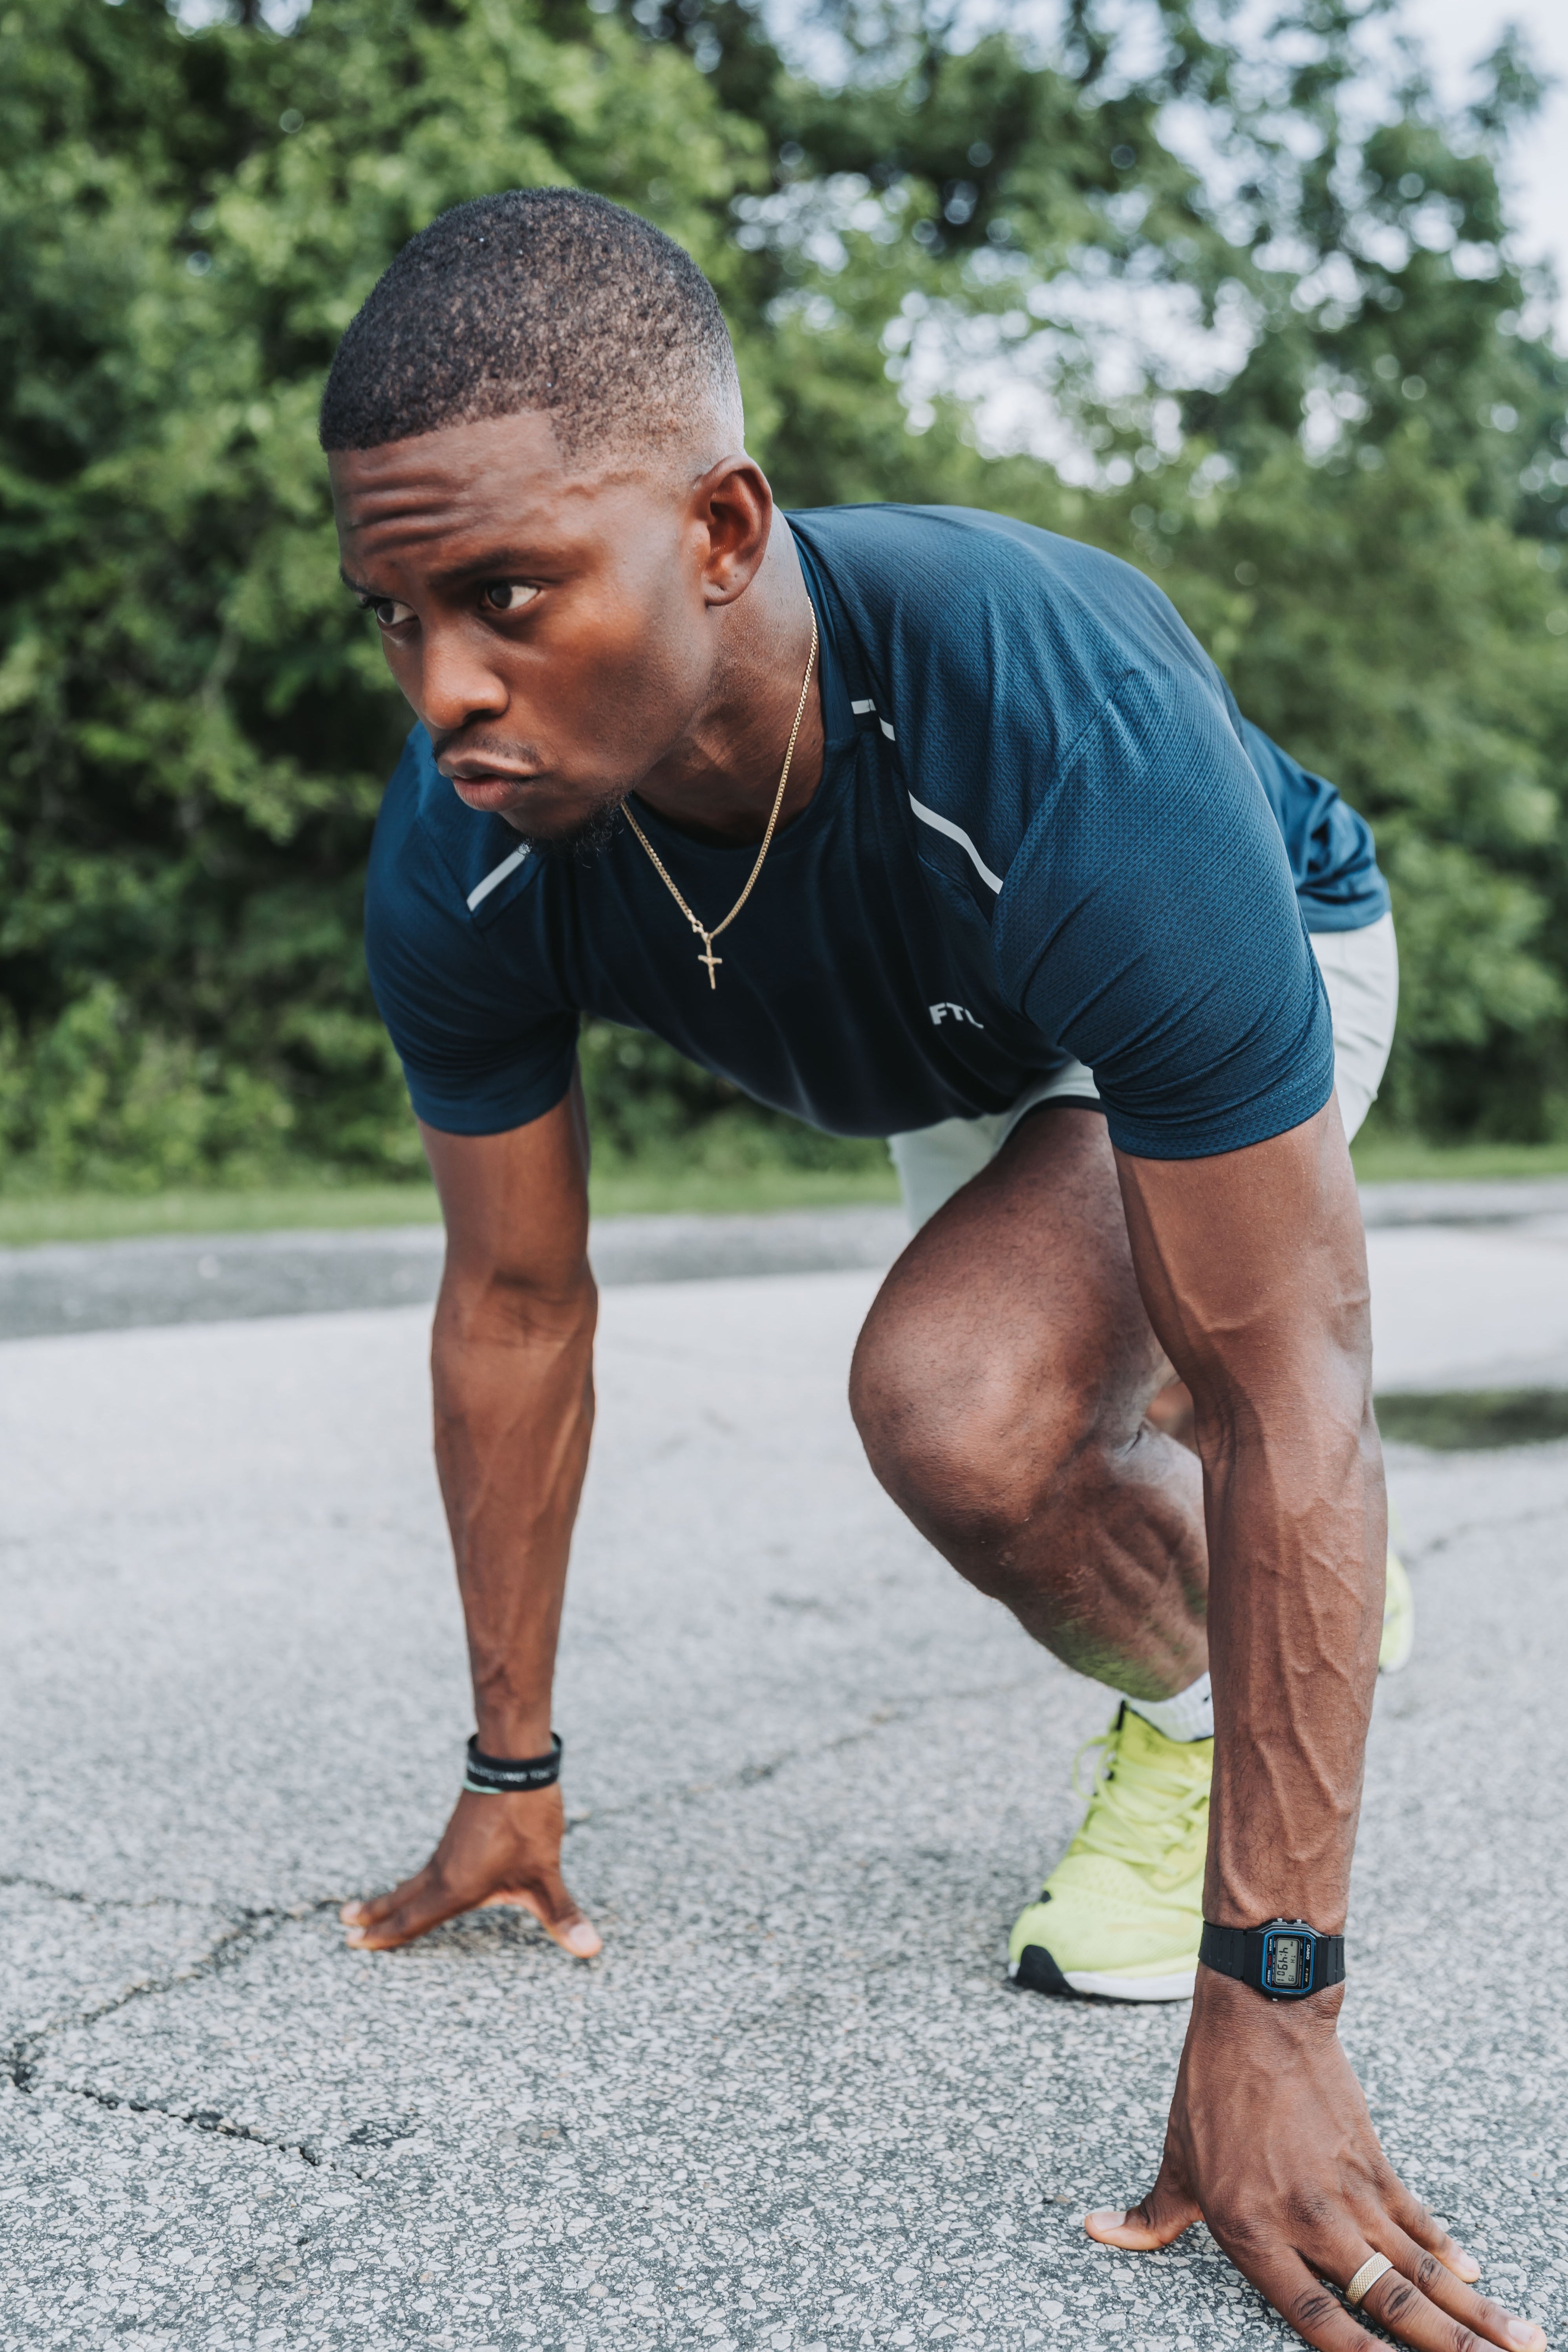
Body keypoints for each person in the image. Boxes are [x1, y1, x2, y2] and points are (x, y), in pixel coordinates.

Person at [324, 189, 1539, 2352]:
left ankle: (1229, 1727)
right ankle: (1211, 1657)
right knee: (1015, 1442)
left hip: (1245, 940)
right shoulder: (471, 850)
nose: (443, 690)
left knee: (980, 1400)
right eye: (397, 611)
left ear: (719, 530)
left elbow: (1302, 1388)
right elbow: (515, 1306)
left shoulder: (1051, 722)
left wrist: (1280, 2008)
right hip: (979, 1033)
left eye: (504, 594)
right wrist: (513, 1779)